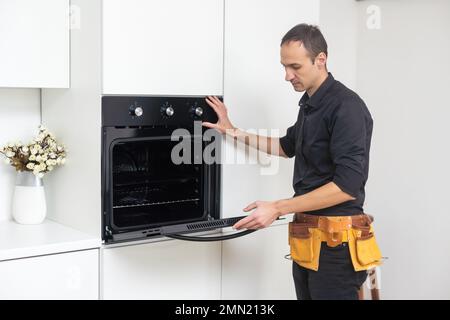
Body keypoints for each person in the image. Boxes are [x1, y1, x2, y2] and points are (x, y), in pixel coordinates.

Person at [202, 23, 382, 300]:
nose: (287, 75)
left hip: (336, 249)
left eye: (295, 66)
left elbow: (347, 186)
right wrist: (232, 130)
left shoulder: (347, 107)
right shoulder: (311, 104)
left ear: (320, 59)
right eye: (284, 66)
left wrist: (277, 207)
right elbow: (286, 147)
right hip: (308, 240)